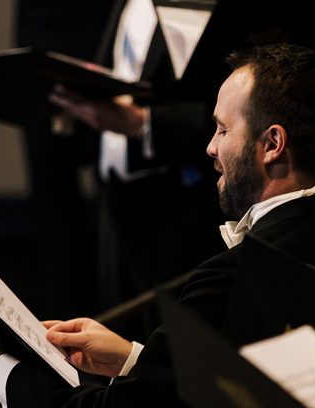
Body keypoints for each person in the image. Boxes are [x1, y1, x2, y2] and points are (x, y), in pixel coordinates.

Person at [0, 44, 315, 408]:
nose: (210, 147)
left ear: (272, 143)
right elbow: (239, 390)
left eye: (221, 129)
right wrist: (132, 358)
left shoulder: (234, 276)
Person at [47, 0, 224, 313]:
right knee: (120, 326)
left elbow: (224, 106)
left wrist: (142, 122)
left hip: (180, 202)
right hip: (114, 192)